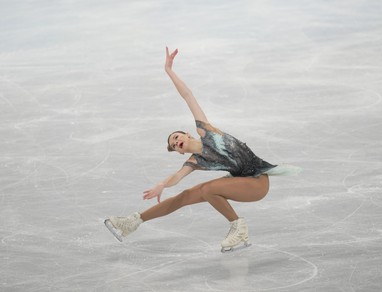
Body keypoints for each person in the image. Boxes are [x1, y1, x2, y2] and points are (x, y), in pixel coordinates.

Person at [104, 47, 302, 252]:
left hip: (258, 182)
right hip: (241, 182)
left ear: (187, 134)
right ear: (179, 151)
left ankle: (238, 227)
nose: (176, 142)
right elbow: (178, 177)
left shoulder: (205, 130)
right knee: (185, 196)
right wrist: (163, 184)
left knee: (208, 189)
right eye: (174, 145)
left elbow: (188, 96)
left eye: (176, 137)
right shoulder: (195, 161)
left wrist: (169, 71)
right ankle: (132, 222)